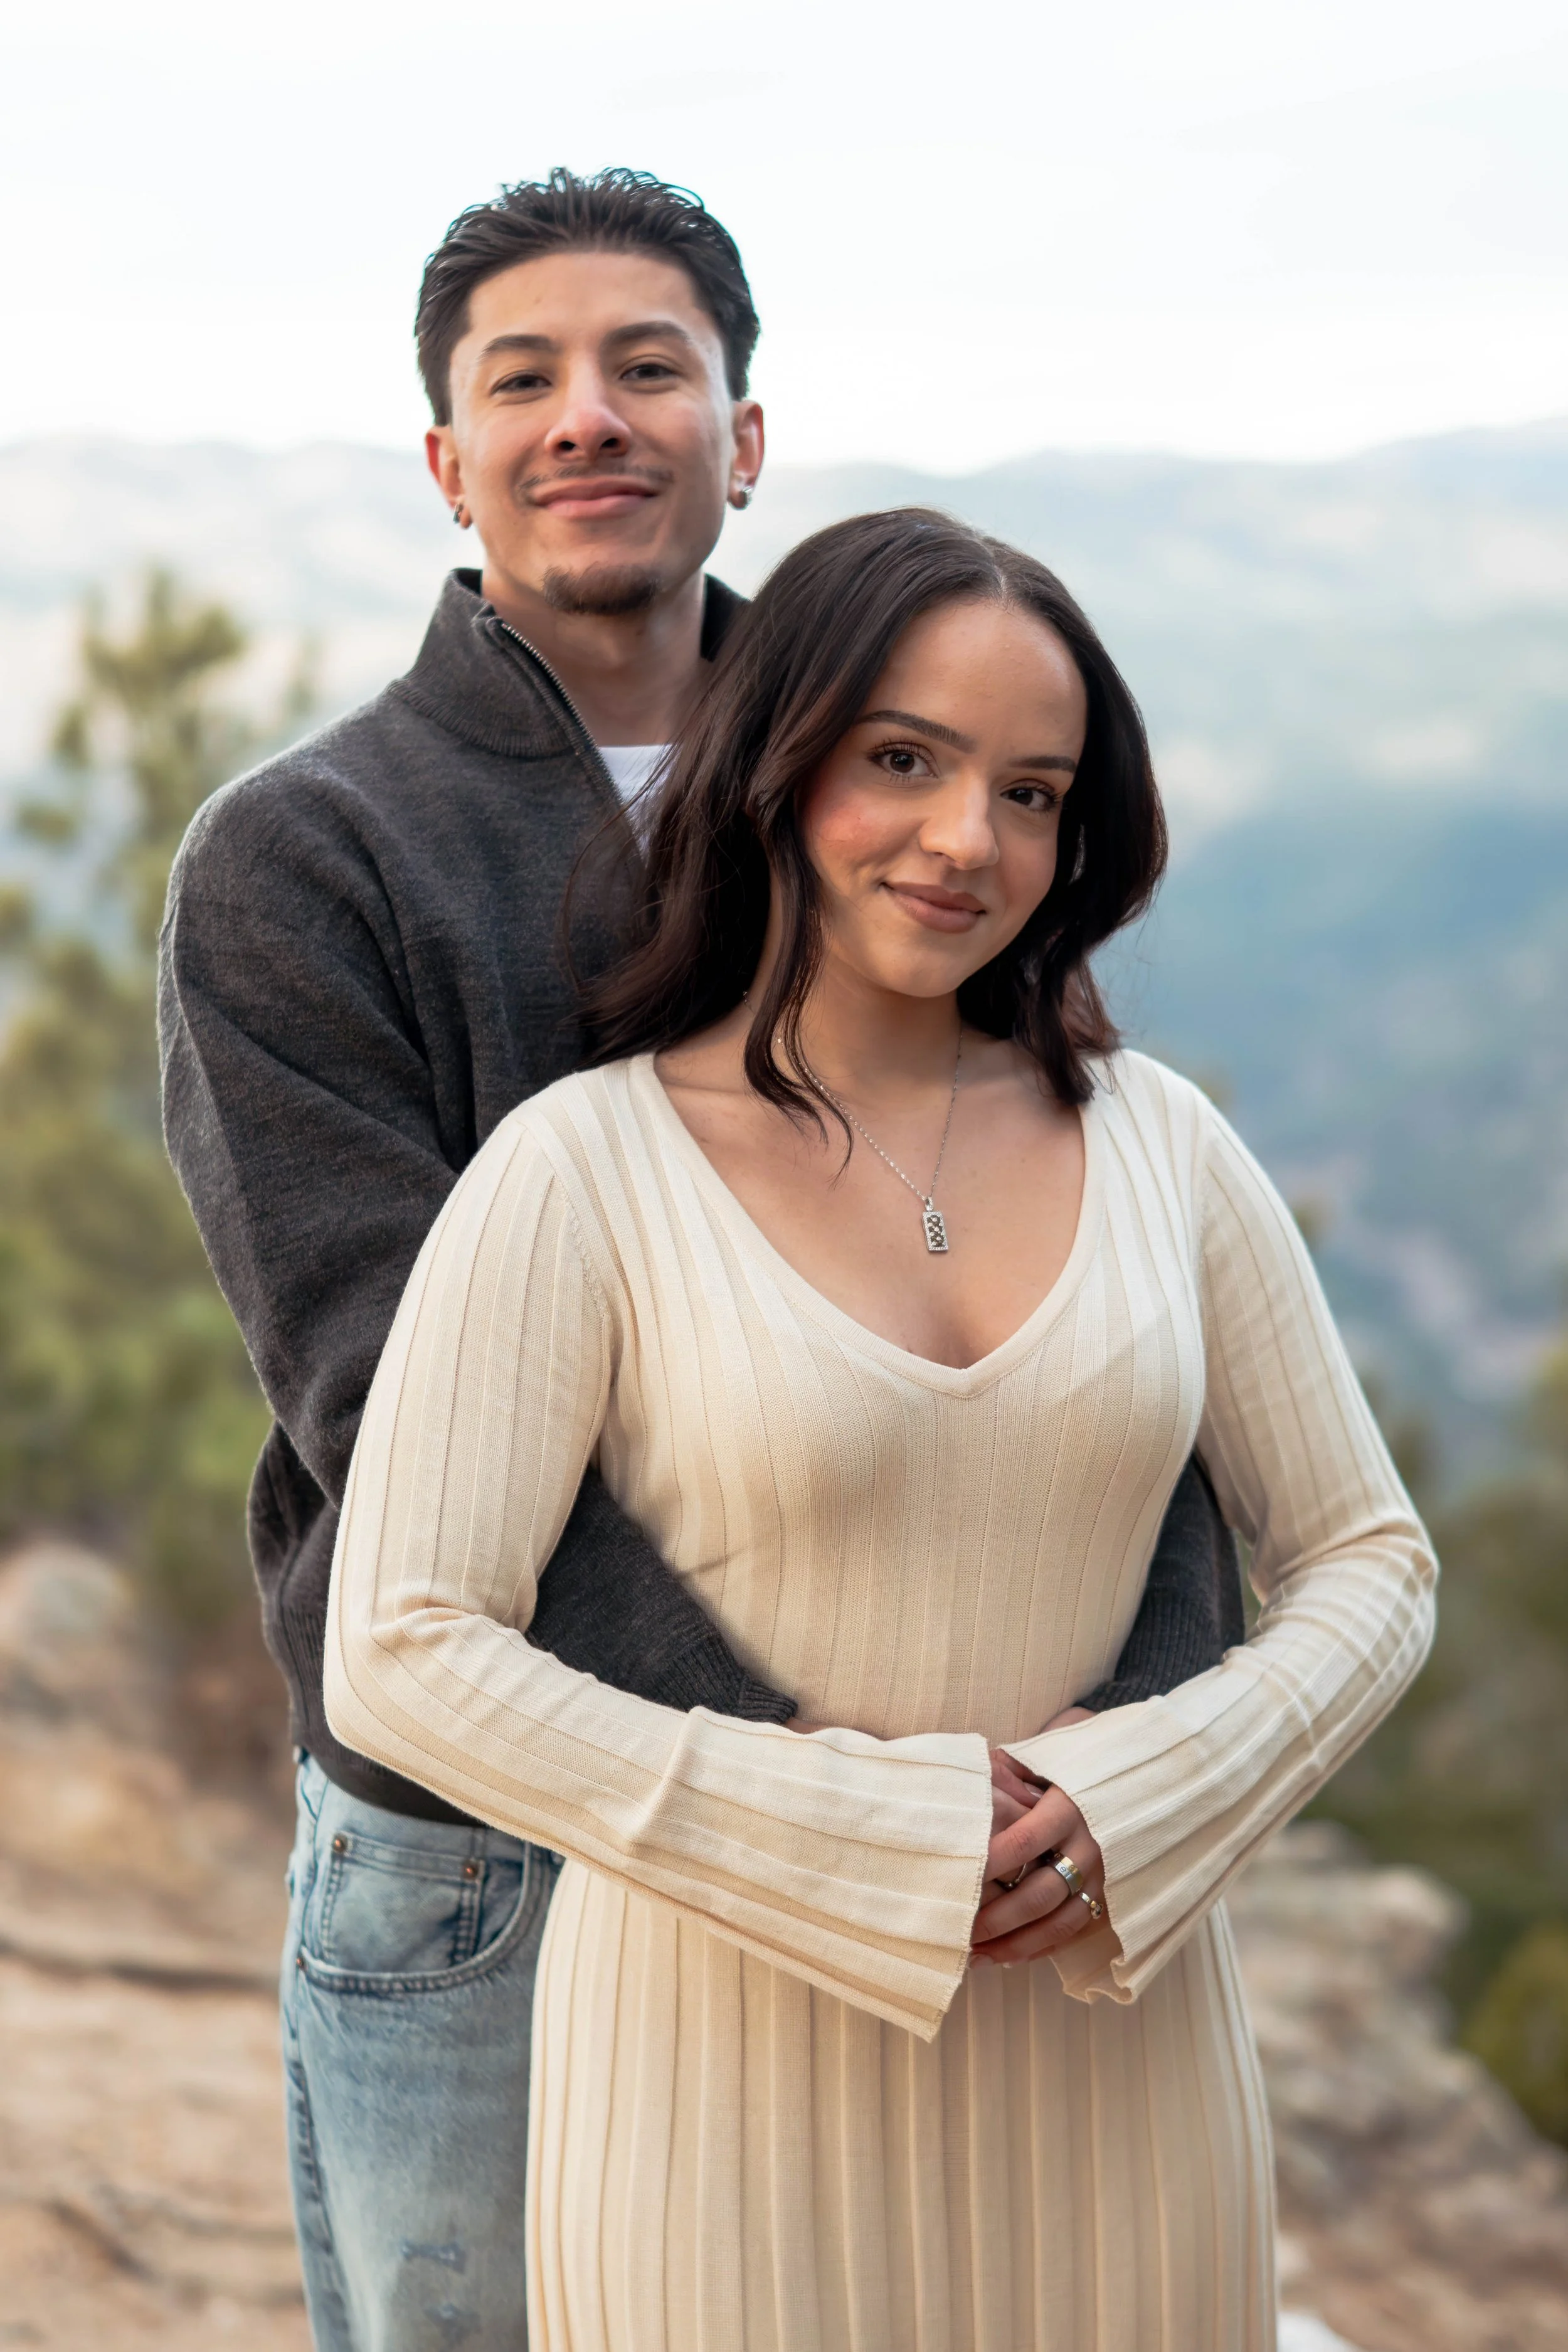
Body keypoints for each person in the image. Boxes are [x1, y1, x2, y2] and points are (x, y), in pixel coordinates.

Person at [161, 174, 1237, 2351]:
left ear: (744, 435)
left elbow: (1098, 1256)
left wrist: (1112, 1745)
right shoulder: (307, 858)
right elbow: (382, 1390)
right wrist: (826, 1784)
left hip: (962, 1810)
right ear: (447, 463)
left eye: (649, 366)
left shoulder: (896, 793)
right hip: (498, 1842)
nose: (592, 416)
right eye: (521, 379)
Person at [325, 506, 1437, 2352]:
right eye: (901, 760)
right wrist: (839, 1832)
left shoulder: (1163, 1144)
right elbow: (401, 1648)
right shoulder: (579, 1170)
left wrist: (1152, 1783)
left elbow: (1371, 1562)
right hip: (713, 2077)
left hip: (1122, 2054)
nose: (966, 839)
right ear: (777, 759)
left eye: (1031, 790)